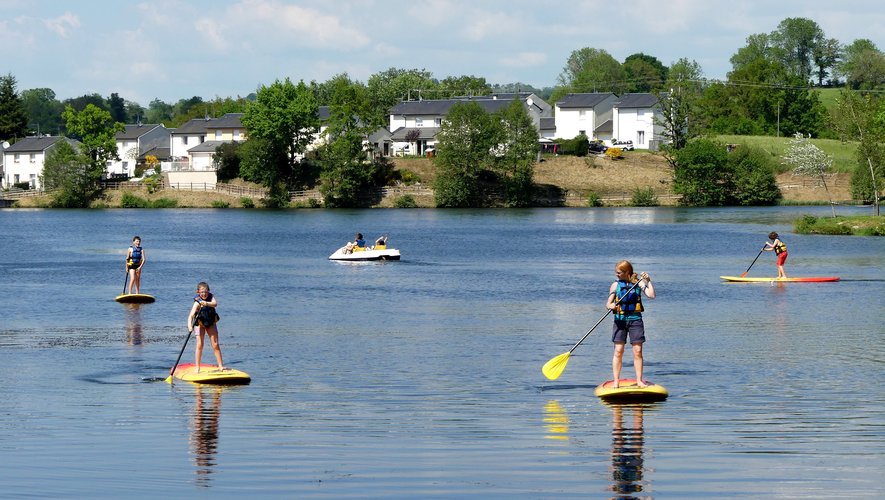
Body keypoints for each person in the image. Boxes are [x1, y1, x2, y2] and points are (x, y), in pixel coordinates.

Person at [606, 260, 655, 388]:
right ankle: (616, 381)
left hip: (635, 320)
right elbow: (608, 304)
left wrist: (648, 281)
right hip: (620, 321)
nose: (616, 274)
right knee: (618, 350)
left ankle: (639, 380)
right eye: (616, 272)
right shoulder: (615, 285)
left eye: (619, 272)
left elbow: (652, 295)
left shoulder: (638, 284)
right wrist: (612, 306)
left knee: (637, 351)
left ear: (627, 272)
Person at [187, 282, 225, 373]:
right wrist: (189, 326)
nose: (204, 294)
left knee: (215, 344)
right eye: (202, 292)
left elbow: (215, 304)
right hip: (200, 324)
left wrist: (206, 303)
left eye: (206, 292)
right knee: (200, 345)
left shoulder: (211, 297)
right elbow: (191, 316)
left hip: (210, 322)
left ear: (208, 291)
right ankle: (197, 367)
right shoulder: (197, 302)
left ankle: (220, 366)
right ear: (198, 292)